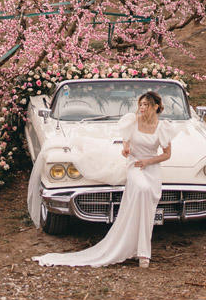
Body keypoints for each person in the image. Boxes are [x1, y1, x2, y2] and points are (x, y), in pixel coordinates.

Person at [32, 91, 177, 268]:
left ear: (155, 107)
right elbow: (126, 140)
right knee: (142, 189)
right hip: (134, 165)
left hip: (151, 168)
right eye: (140, 104)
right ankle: (141, 250)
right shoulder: (132, 121)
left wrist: (149, 161)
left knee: (147, 204)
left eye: (146, 105)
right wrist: (126, 149)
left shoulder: (163, 128)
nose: (142, 108)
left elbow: (167, 154)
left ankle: (142, 251)